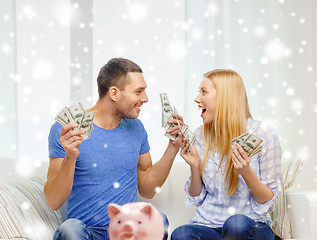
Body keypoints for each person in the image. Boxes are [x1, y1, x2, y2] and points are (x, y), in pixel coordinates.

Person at [44, 58, 183, 240]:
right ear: (114, 93)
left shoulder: (136, 127)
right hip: (87, 233)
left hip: (125, 232)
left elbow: (147, 189)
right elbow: (53, 201)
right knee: (70, 229)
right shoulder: (66, 131)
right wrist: (70, 156)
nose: (145, 98)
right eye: (138, 91)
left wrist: (173, 148)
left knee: (159, 220)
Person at [171, 69, 282, 240]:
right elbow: (197, 197)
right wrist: (194, 167)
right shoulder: (200, 135)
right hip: (210, 226)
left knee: (236, 225)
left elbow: (268, 201)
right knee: (181, 234)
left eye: (204, 92)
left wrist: (246, 172)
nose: (197, 99)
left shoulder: (263, 134)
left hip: (251, 226)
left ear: (225, 98)